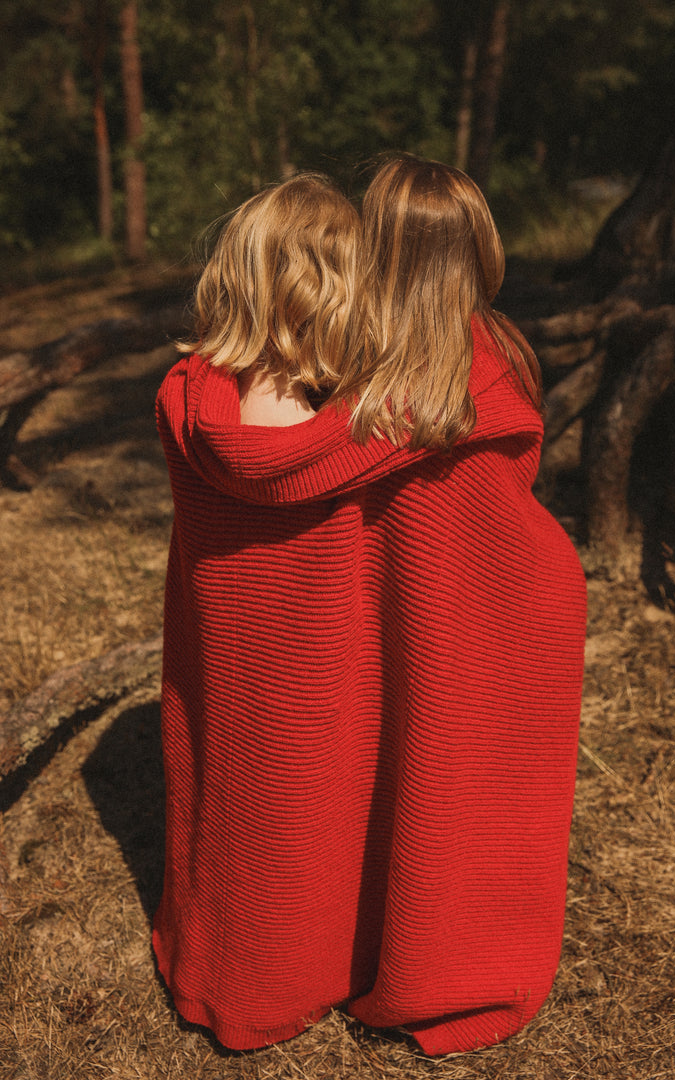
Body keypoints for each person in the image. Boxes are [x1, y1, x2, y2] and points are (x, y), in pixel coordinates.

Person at [153, 159, 587, 1058]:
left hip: (272, 662)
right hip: (437, 644)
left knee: (283, 795)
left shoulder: (213, 403)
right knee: (425, 778)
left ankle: (273, 963)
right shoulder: (457, 396)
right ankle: (420, 955)